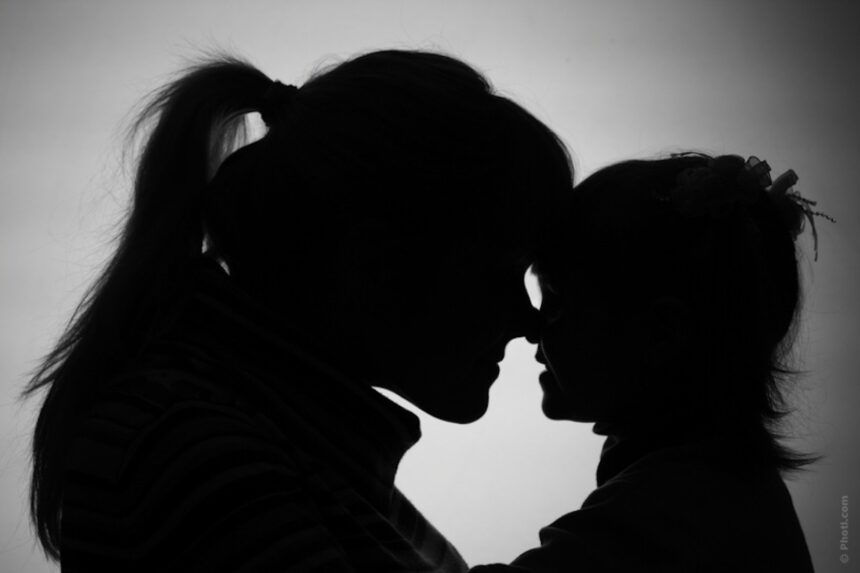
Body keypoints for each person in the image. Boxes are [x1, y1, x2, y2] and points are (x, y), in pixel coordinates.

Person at [22, 50, 573, 570]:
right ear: (375, 264)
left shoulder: (277, 452)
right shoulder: (205, 457)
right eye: (501, 274)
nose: (530, 321)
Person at [473, 153, 827, 572]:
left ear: (660, 335)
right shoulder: (723, 487)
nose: (534, 327)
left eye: (557, 301)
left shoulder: (675, 514)